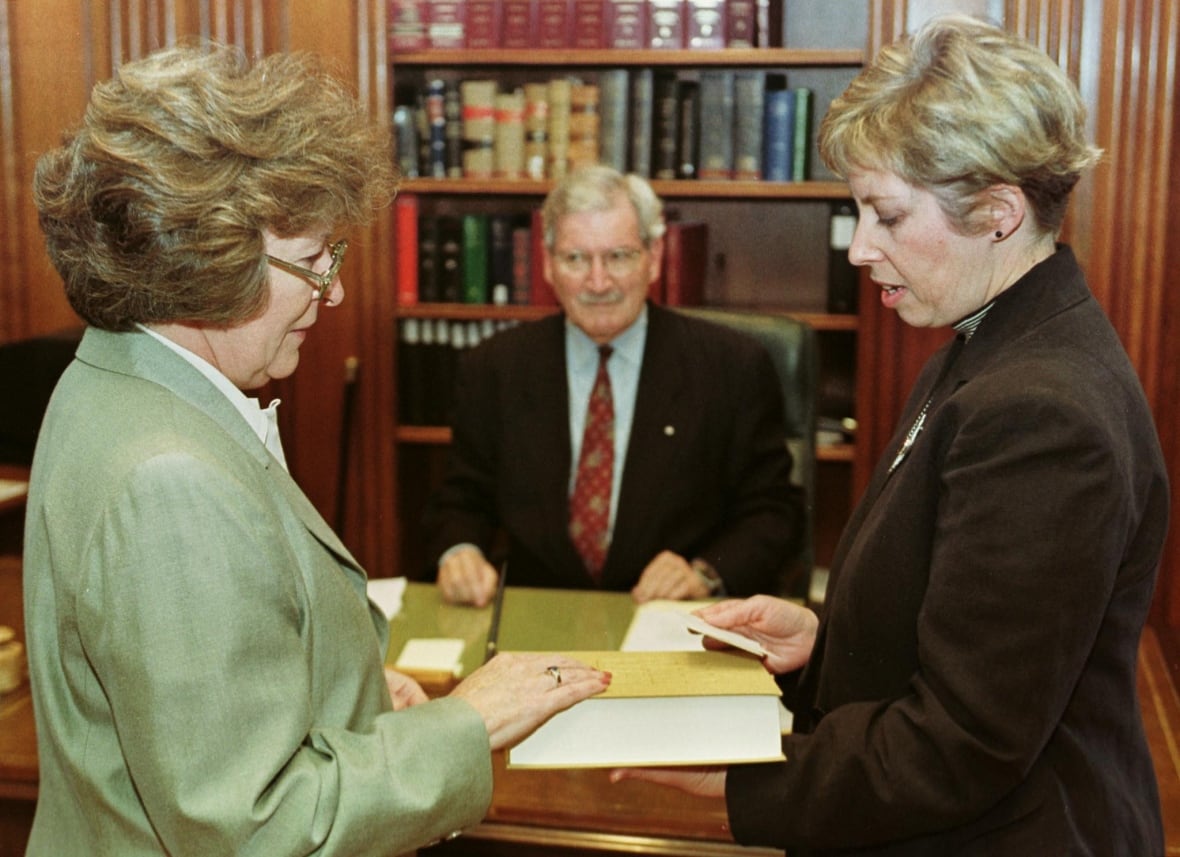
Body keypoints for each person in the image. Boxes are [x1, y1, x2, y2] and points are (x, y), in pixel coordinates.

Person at [24, 44, 608, 856]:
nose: (332, 291)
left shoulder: (111, 378)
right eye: (311, 262)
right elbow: (256, 825)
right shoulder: (172, 480)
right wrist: (468, 721)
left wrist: (350, 693)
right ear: (208, 260)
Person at [613, 16, 1169, 855]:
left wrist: (748, 774)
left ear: (996, 213)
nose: (862, 249)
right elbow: (969, 621)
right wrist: (825, 641)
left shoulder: (1042, 412)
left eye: (887, 215)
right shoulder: (992, 342)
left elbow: (962, 744)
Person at [422, 163, 803, 607]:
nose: (597, 282)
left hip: (672, 622)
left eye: (618, 256)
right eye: (576, 258)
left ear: (654, 258)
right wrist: (460, 552)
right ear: (547, 266)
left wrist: (705, 571)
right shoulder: (494, 368)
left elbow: (773, 512)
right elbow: (461, 499)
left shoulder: (731, 367)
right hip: (542, 622)